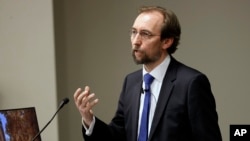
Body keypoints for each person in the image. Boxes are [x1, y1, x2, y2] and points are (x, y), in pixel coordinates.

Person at [74, 6, 222, 141]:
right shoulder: (131, 82)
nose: (136, 41)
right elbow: (118, 135)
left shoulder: (191, 83)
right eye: (133, 32)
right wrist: (89, 120)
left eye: (145, 34)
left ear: (167, 41)